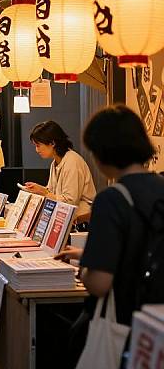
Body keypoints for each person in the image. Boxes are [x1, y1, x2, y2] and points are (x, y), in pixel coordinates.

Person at [57, 105, 163, 324]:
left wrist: (85, 269)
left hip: (126, 319)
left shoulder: (111, 200)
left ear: (102, 152)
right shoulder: (160, 186)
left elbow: (99, 283)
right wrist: (84, 252)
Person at [24, 120, 96, 221]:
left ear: (52, 143)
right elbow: (53, 192)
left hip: (82, 221)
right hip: (67, 219)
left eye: (38, 145)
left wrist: (44, 193)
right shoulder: (55, 163)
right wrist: (40, 189)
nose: (37, 150)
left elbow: (69, 202)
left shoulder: (72, 161)